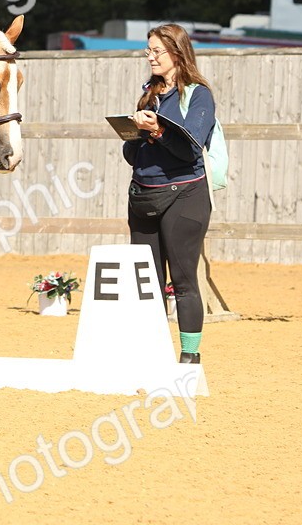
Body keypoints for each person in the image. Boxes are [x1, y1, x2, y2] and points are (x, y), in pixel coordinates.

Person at [123, 23, 216, 364]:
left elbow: (190, 150)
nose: (150, 57)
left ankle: (190, 356)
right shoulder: (149, 93)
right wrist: (135, 133)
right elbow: (132, 155)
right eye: (148, 50)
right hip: (143, 196)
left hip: (185, 195)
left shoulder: (198, 95)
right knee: (146, 283)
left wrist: (158, 131)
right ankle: (153, 354)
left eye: (156, 51)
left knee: (183, 279)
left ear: (177, 52)